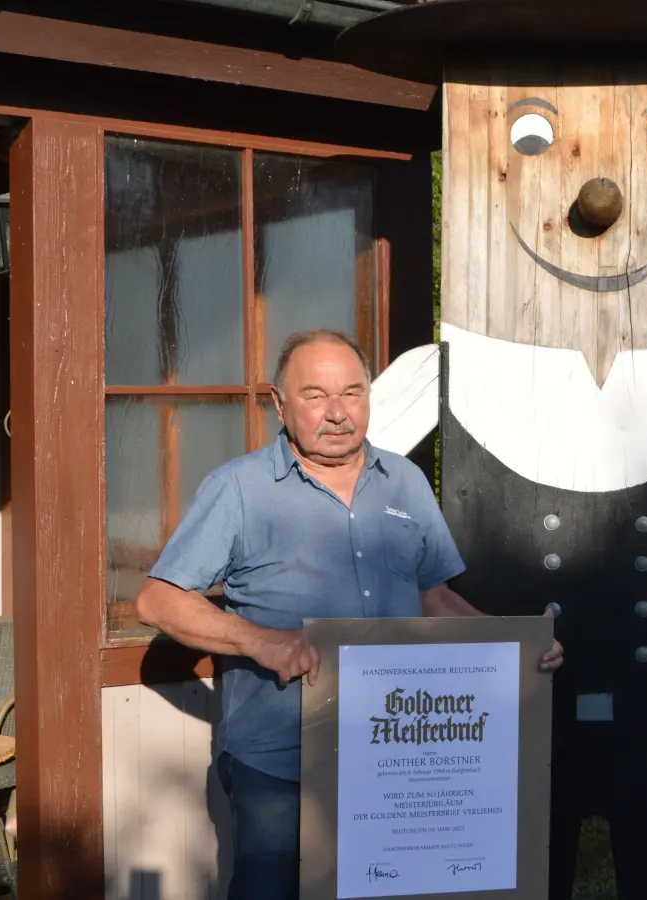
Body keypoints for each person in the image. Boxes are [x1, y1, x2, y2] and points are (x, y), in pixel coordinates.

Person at [135, 328, 564, 900]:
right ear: (278, 403)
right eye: (315, 395)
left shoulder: (406, 482)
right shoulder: (238, 489)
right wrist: (262, 642)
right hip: (281, 761)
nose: (336, 413)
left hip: (393, 754)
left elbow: (430, 597)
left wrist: (516, 648)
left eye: (352, 393)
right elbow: (157, 600)